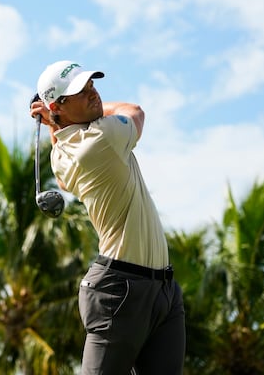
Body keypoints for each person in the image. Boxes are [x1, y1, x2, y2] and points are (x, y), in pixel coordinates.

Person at [29, 60, 185, 375]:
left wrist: (52, 124)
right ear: (58, 105)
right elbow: (135, 110)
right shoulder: (102, 137)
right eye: (80, 92)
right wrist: (55, 122)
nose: (94, 95)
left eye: (91, 86)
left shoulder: (62, 153)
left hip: (164, 290)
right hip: (121, 290)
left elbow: (62, 179)